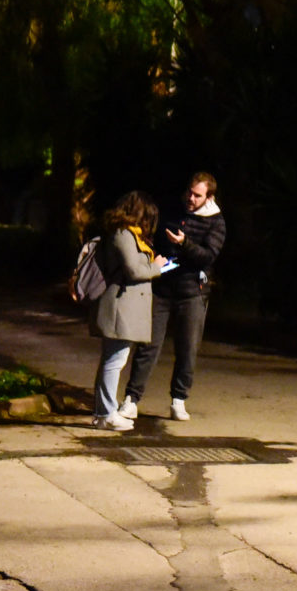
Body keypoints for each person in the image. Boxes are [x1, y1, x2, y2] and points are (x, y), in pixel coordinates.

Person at [122, 172, 225, 421]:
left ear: (209, 197)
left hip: (192, 292)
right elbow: (153, 236)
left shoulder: (216, 221)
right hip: (162, 287)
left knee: (187, 347)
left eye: (197, 195)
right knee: (147, 345)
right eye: (190, 192)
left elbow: (208, 256)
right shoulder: (171, 209)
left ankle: (179, 399)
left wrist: (185, 243)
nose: (191, 198)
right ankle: (131, 399)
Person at [89, 192, 175, 430]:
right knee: (114, 361)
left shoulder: (126, 233)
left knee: (114, 360)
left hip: (124, 306)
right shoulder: (123, 234)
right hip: (120, 307)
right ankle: (106, 413)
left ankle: (103, 413)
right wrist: (157, 266)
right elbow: (134, 270)